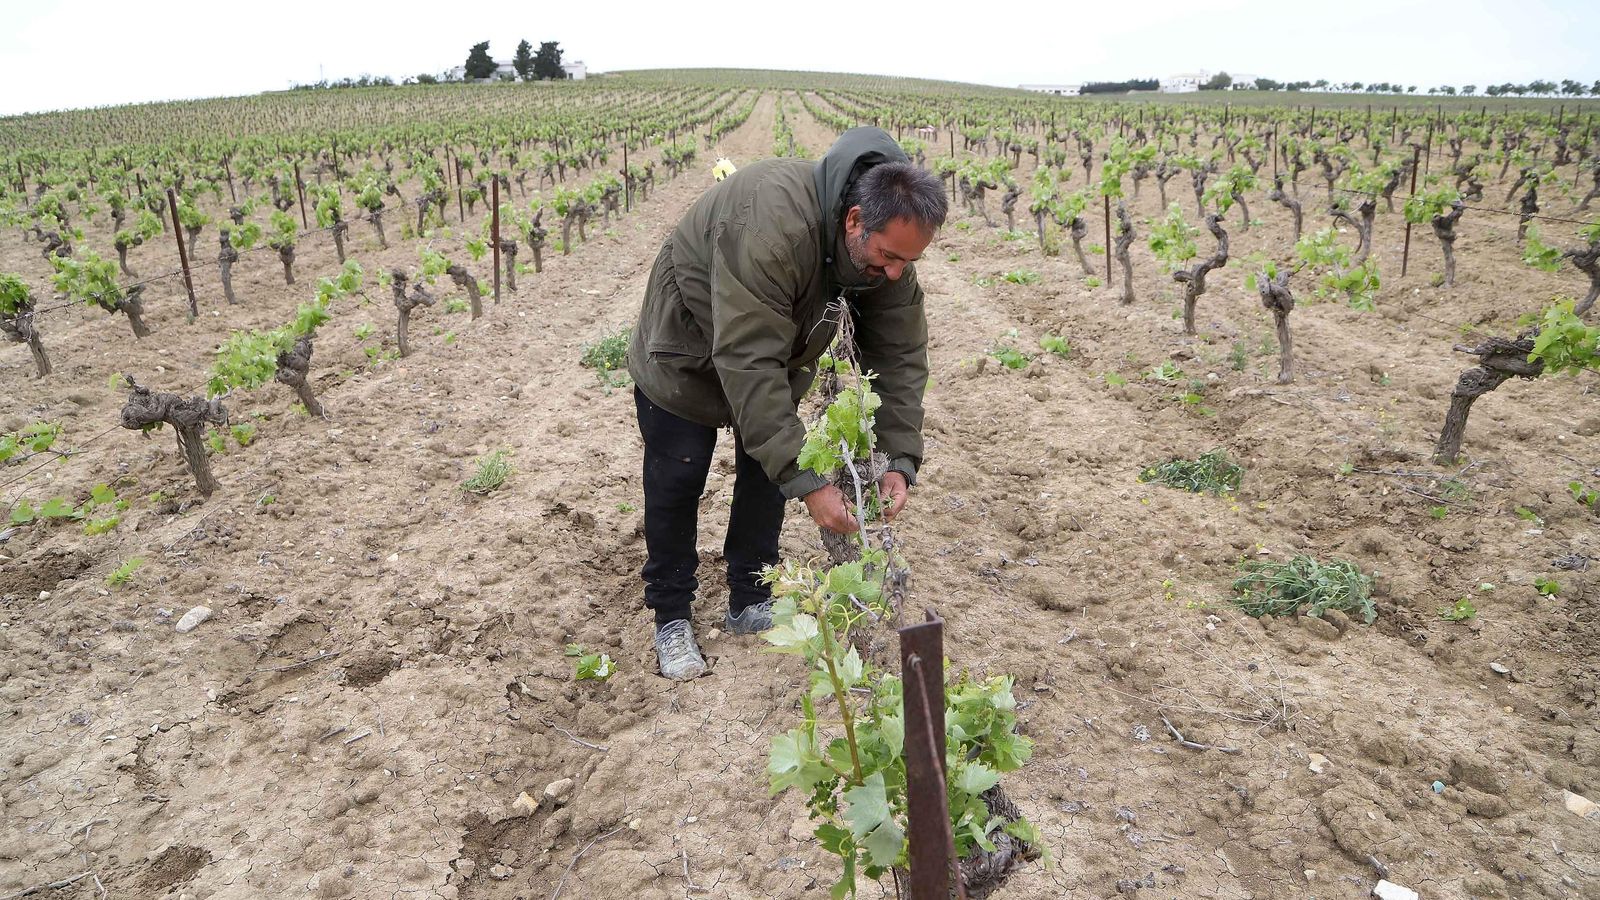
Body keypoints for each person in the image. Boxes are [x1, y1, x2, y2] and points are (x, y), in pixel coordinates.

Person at [627, 127, 948, 680]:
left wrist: (899, 457)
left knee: (767, 466)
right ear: (854, 220)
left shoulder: (887, 248)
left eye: (908, 261)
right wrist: (814, 486)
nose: (896, 272)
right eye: (888, 257)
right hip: (687, 345)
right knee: (677, 478)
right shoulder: (771, 223)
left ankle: (750, 595)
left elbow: (898, 357)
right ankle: (672, 615)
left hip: (777, 346)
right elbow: (747, 360)